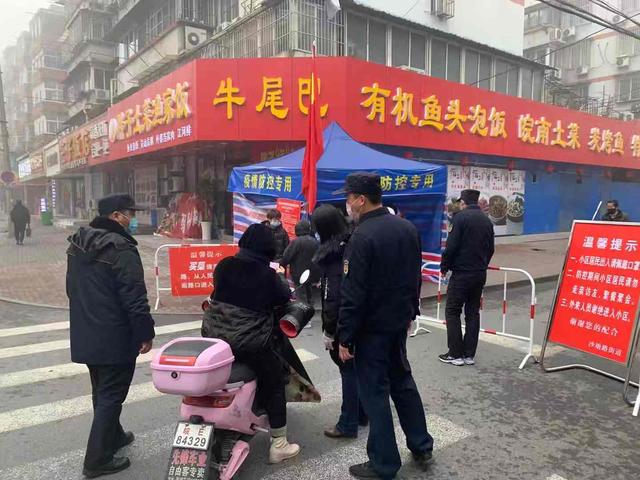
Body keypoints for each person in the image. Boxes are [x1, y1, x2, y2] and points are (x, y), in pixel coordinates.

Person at [337, 173, 434, 480]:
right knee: (403, 383)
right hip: (397, 323)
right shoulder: (406, 227)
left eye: (349, 198)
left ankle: (383, 463)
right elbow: (414, 277)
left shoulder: (362, 236)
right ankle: (421, 445)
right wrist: (411, 312)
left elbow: (353, 294)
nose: (347, 204)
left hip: (371, 330)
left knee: (374, 394)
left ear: (360, 200)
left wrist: (345, 337)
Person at [66, 194, 155, 478]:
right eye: (130, 213)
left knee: (102, 390)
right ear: (116, 216)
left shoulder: (77, 245)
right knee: (111, 395)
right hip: (115, 334)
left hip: (88, 330)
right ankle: (97, 459)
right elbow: (135, 297)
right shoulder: (121, 249)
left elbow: (71, 289)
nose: (133, 218)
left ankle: (113, 436)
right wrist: (145, 333)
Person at [202, 224, 301, 464]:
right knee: (274, 382)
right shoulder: (267, 276)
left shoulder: (224, 266)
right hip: (250, 342)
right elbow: (284, 298)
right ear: (270, 249)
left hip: (214, 338)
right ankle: (279, 444)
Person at [311, 205, 367, 439]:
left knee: (348, 371)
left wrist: (330, 332)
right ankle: (362, 414)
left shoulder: (334, 257)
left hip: (345, 323)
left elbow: (332, 299)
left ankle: (347, 423)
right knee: (356, 369)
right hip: (361, 318)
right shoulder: (352, 243)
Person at [439, 189, 495, 367]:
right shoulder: (487, 221)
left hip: (462, 273)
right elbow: (491, 248)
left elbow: (451, 247)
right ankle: (469, 354)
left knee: (453, 310)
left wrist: (444, 267)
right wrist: (482, 263)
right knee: (472, 312)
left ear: (463, 202)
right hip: (479, 273)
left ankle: (455, 354)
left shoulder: (460, 218)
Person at [280, 220, 320, 306]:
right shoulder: (314, 241)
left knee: (301, 296)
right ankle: (310, 310)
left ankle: (303, 314)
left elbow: (287, 256)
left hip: (298, 273)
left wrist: (281, 265)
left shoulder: (296, 242)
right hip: (312, 272)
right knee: (309, 292)